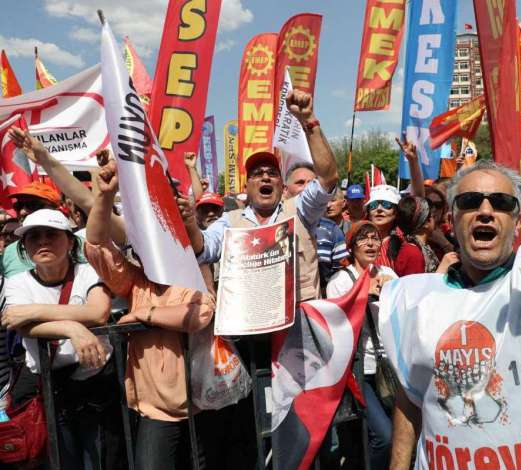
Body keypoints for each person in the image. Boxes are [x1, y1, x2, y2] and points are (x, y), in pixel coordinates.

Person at [378, 24, 521, 469]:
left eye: (501, 203)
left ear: (520, 219)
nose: (485, 211)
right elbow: (412, 398)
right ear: (451, 218)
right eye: (470, 201)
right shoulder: (411, 300)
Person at [84, 159, 214, 470]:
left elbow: (202, 313)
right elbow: (95, 246)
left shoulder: (195, 266)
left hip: (205, 404)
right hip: (156, 410)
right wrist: (103, 196)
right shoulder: (138, 278)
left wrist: (146, 313)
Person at [187, 90, 339, 305]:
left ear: (281, 185)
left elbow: (328, 177)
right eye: (257, 174)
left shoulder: (301, 211)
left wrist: (309, 121)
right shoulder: (230, 222)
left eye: (272, 173)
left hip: (300, 328)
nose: (266, 177)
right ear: (247, 187)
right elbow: (203, 248)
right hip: (248, 329)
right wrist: (189, 223)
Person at [2, 208, 120, 469]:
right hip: (49, 390)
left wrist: (34, 311)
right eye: (34, 237)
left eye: (51, 234)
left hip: (95, 385)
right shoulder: (17, 282)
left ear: (69, 241)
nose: (43, 241)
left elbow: (98, 312)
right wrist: (73, 328)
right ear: (24, 247)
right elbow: (19, 325)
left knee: (99, 461)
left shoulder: (90, 272)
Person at [326, 221, 397, 469]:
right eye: (362, 239)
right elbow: (336, 325)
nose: (370, 243)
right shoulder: (340, 281)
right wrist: (365, 294)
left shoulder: (391, 276)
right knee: (385, 437)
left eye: (375, 238)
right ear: (351, 245)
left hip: (389, 369)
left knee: (400, 434)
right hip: (359, 371)